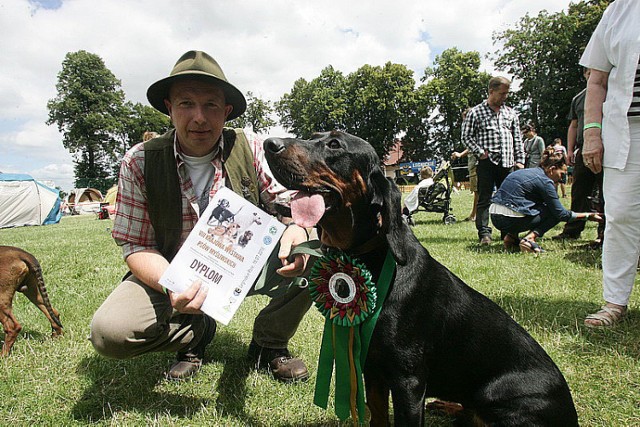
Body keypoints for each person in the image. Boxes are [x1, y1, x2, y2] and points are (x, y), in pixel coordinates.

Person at [89, 50, 314, 382]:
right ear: (169, 108)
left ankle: (270, 343)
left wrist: (299, 227)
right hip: (170, 269)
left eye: (211, 105)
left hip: (245, 268)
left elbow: (290, 203)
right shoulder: (139, 161)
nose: (199, 118)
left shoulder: (249, 146)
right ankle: (197, 332)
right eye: (186, 104)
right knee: (109, 333)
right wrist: (173, 287)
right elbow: (136, 246)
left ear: (226, 111)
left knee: (319, 250)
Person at [580, 0, 640, 328]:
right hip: (627, 131)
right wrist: (592, 134)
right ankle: (615, 301)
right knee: (621, 215)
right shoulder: (619, 9)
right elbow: (597, 80)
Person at [490, 146, 602, 253]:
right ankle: (530, 239)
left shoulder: (525, 172)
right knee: (554, 212)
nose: (562, 179)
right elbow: (561, 214)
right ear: (552, 169)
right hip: (510, 219)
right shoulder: (545, 181)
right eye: (562, 174)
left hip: (495, 217)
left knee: (530, 205)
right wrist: (588, 216)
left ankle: (511, 237)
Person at [462, 76, 525, 245]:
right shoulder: (476, 112)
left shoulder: (510, 112)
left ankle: (508, 233)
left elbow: (517, 138)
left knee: (508, 200)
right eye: (502, 93)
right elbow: (466, 137)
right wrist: (480, 152)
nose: (505, 97)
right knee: (484, 198)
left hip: (508, 162)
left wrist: (520, 160)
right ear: (491, 91)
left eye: (507, 93)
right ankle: (484, 234)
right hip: (486, 163)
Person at [553, 68, 605, 245]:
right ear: (584, 75)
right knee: (579, 191)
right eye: (588, 73)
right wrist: (569, 150)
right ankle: (572, 230)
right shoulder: (578, 98)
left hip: (608, 147)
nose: (592, 76)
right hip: (584, 149)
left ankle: (603, 234)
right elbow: (573, 126)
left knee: (606, 193)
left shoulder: (611, 93)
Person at [451, 149, 478, 221]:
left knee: (477, 192)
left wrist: (460, 154)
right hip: (475, 165)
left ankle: (474, 215)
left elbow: (473, 146)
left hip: (476, 166)